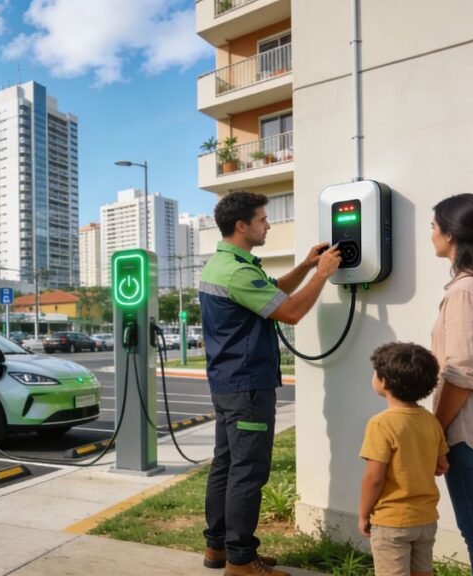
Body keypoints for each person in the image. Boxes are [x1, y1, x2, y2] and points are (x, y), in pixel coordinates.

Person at [199, 191, 341, 576]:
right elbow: (290, 311)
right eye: (263, 219)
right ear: (242, 226)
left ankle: (219, 550)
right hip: (247, 386)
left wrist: (309, 266)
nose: (268, 224)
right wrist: (325, 275)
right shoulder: (237, 271)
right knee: (247, 471)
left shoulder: (226, 265)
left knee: (227, 466)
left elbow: (272, 291)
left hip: (229, 384)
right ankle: (241, 562)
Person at [430, 193, 473, 574]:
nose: (431, 234)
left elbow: (462, 372)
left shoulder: (467, 291)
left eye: (433, 227)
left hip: (471, 435)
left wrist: (434, 430)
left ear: (451, 235)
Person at [359, 342, 448, 576]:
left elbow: (373, 478)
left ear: (384, 382)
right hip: (426, 520)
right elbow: (442, 465)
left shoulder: (381, 424)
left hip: (392, 521)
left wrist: (363, 514)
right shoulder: (431, 420)